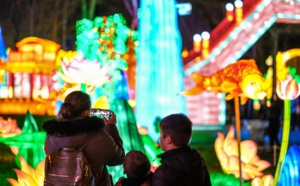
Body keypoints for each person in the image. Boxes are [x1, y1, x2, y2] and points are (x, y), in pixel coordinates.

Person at [43, 91, 125, 186]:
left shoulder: (52, 135)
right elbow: (118, 158)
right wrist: (111, 126)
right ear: (86, 112)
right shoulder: (98, 135)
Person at [152, 113, 212, 186]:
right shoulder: (199, 163)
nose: (159, 138)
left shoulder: (163, 173)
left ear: (168, 139)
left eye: (161, 135)